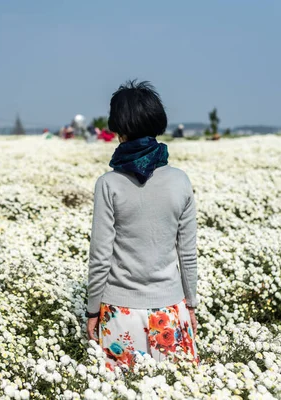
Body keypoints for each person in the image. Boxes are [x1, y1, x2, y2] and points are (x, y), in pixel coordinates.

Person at [86, 80, 199, 371]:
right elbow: (187, 254)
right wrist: (191, 304)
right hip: (171, 311)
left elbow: (101, 257)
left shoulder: (108, 184)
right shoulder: (180, 181)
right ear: (157, 124)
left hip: (119, 312)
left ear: (118, 129)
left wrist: (91, 310)